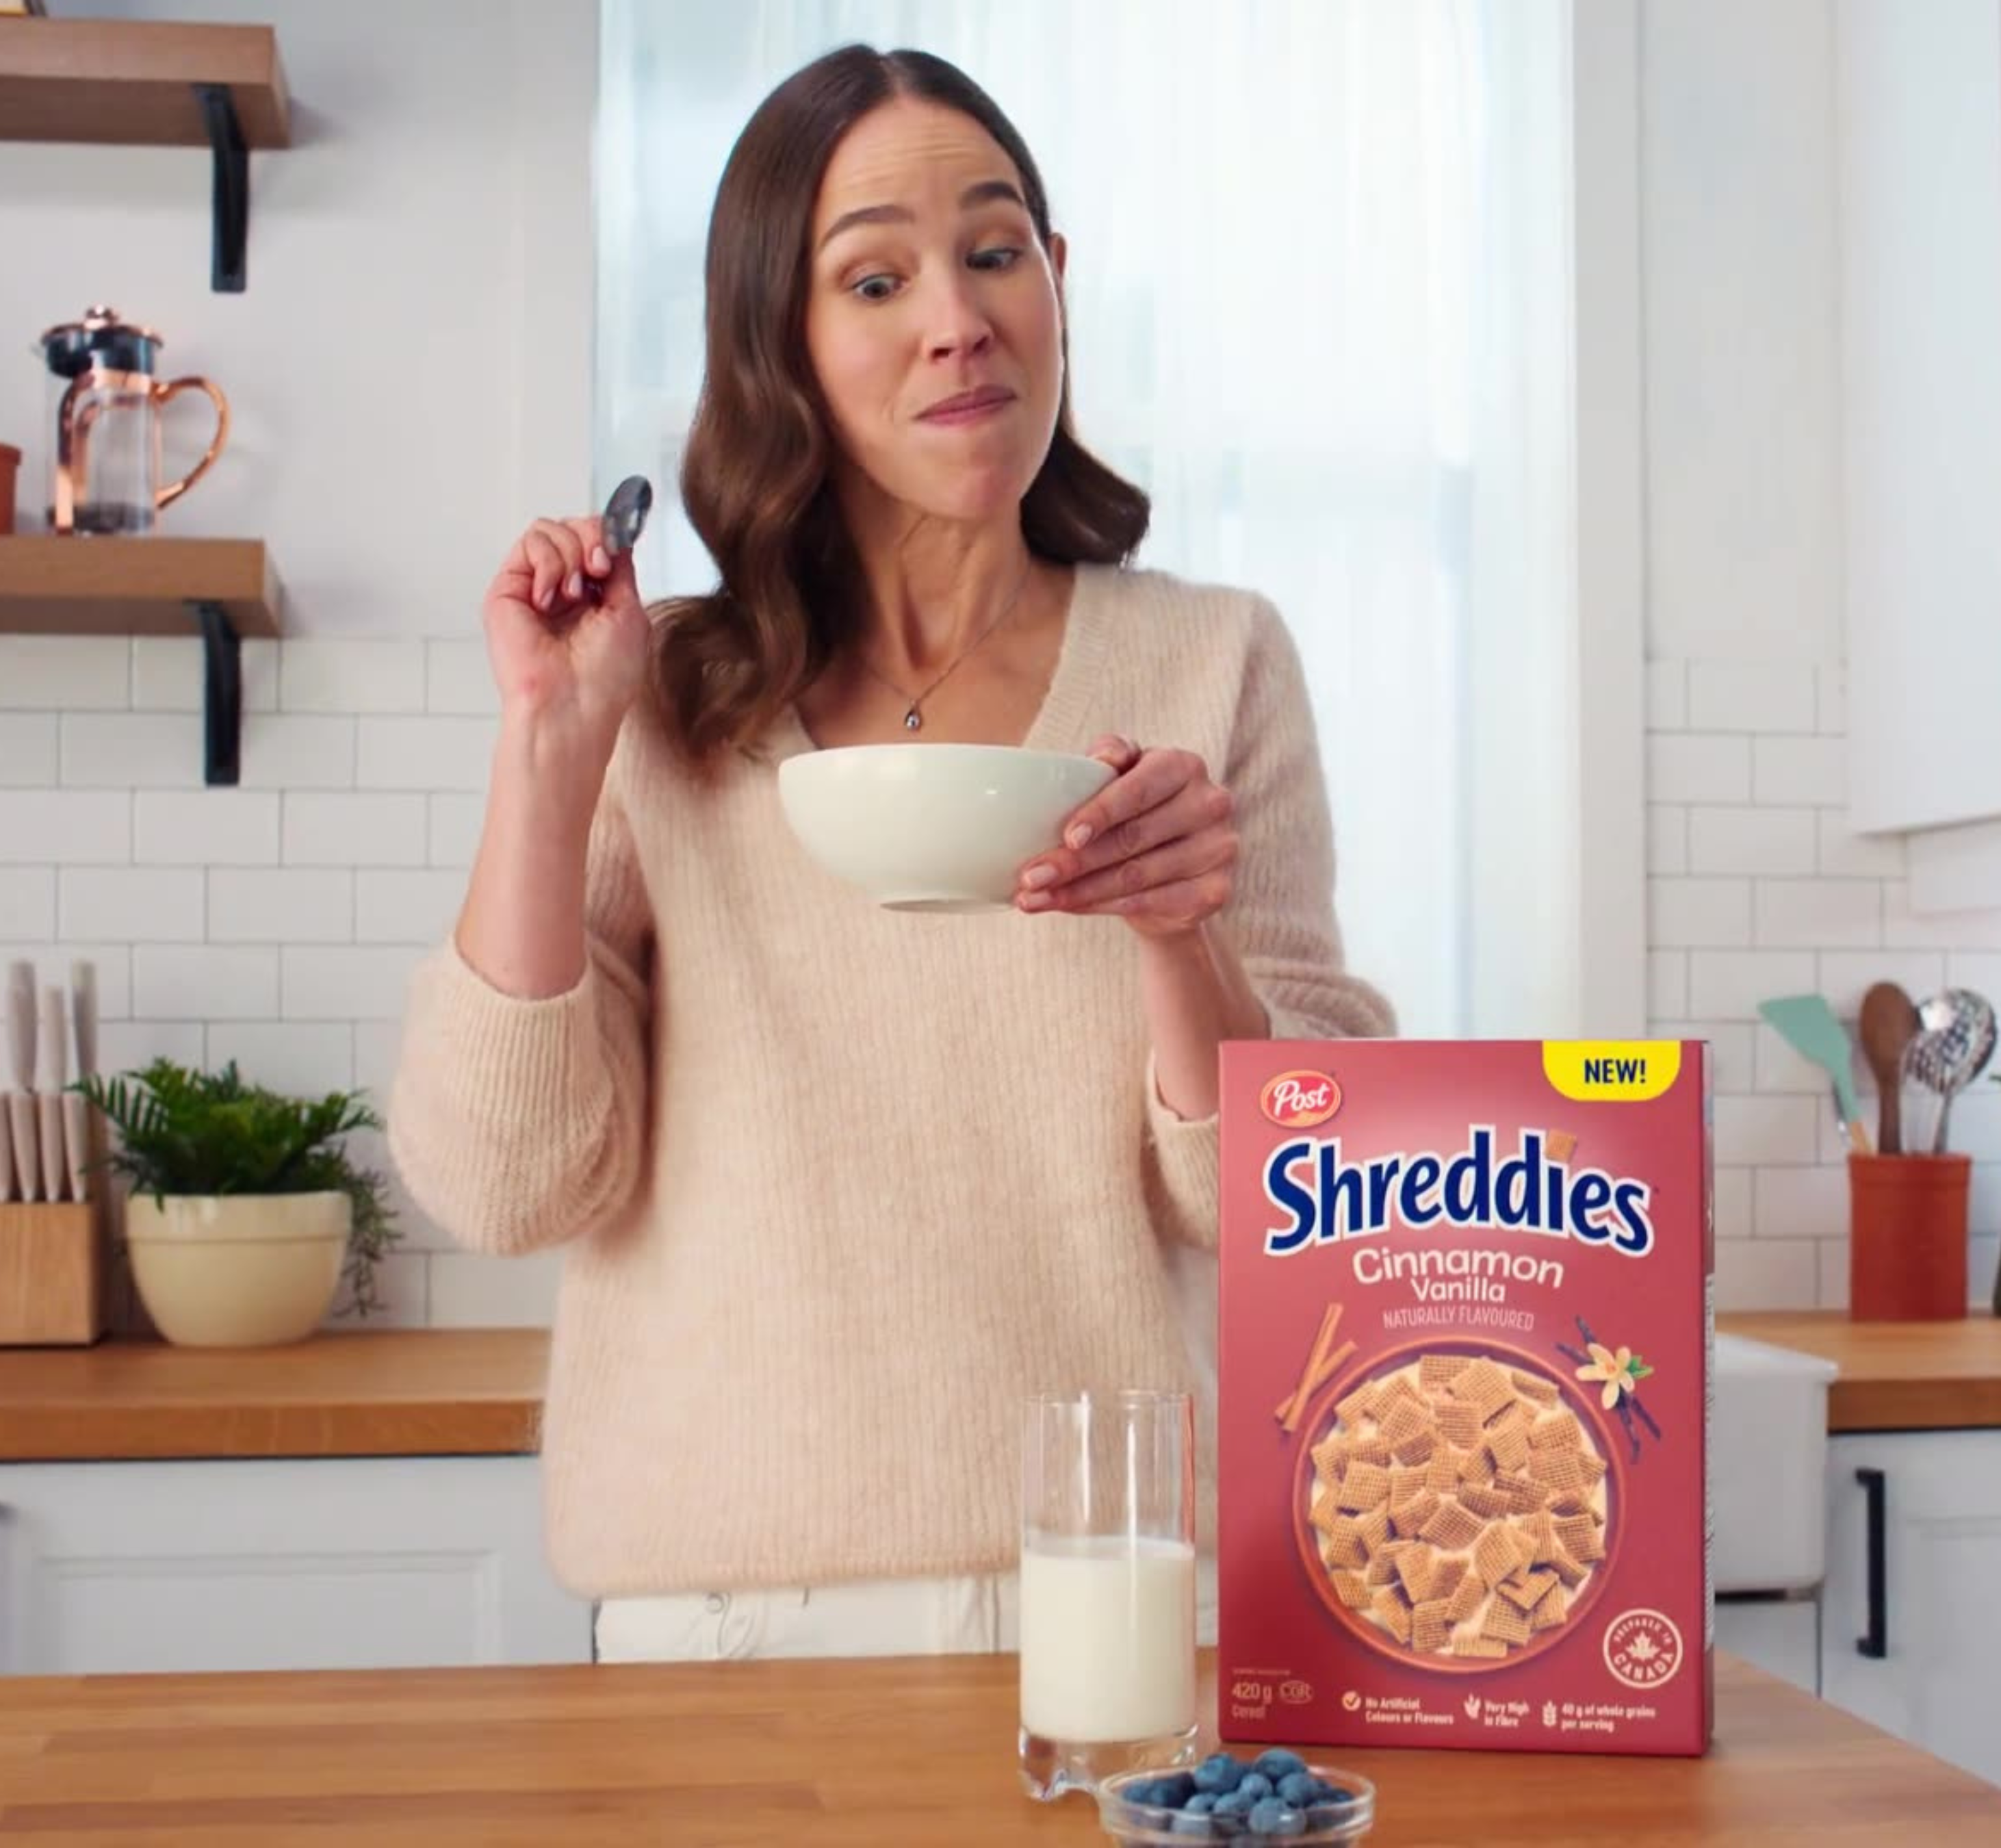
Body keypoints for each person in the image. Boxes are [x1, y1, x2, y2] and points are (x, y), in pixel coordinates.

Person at [384, 42, 1394, 1666]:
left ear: (1055, 282)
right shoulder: (662, 696)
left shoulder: (1217, 663)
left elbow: (1295, 1214)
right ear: (781, 340)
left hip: (1120, 1602)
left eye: (996, 252)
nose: (957, 318)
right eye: (875, 277)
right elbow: (509, 1184)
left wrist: (1174, 933)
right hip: (710, 1623)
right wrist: (551, 753)